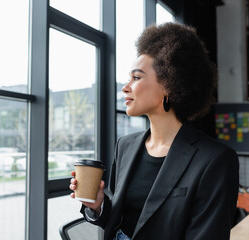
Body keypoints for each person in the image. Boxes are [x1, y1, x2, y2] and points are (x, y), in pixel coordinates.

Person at [69, 22, 239, 240]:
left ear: (169, 84)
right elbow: (116, 220)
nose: (125, 86)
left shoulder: (215, 160)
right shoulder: (125, 146)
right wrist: (98, 205)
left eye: (137, 77)